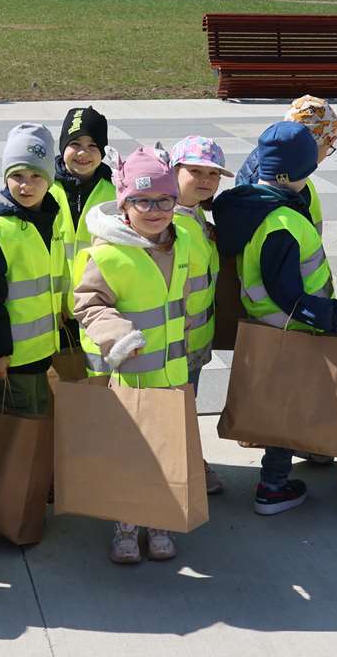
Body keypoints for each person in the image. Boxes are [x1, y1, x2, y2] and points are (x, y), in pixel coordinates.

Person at [213, 121, 337, 516]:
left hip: (266, 322)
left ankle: (299, 456)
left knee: (281, 401)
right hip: (291, 327)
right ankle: (273, 486)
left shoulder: (254, 207)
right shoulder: (283, 221)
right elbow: (287, 291)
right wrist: (329, 314)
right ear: (300, 172)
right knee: (285, 408)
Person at [72, 147, 194, 563]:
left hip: (172, 373)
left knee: (165, 450)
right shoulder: (106, 254)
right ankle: (125, 525)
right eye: (143, 201)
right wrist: (118, 338)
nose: (155, 210)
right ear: (125, 205)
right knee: (129, 452)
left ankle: (159, 519)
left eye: (164, 200)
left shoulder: (181, 245)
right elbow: (88, 303)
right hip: (129, 376)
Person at [0, 123, 63, 417]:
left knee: (39, 425)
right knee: (17, 433)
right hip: (10, 360)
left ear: (49, 179)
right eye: (17, 176)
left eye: (36, 176)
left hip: (42, 353)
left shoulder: (47, 218)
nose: (26, 185)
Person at [168, 135, 234, 495]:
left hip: (195, 339)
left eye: (213, 173)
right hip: (174, 342)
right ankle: (185, 468)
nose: (206, 180)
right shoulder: (165, 221)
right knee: (173, 410)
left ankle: (188, 461)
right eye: (195, 171)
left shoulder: (194, 218)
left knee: (184, 406)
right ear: (174, 170)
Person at [234, 95, 337, 233]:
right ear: (311, 146)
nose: (326, 154)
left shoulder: (295, 169)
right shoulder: (266, 179)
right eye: (328, 147)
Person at [50, 106, 116, 300]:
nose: (82, 153)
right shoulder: (45, 189)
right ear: (63, 146)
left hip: (100, 301)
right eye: (75, 144)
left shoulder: (115, 192)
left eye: (92, 146)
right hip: (54, 306)